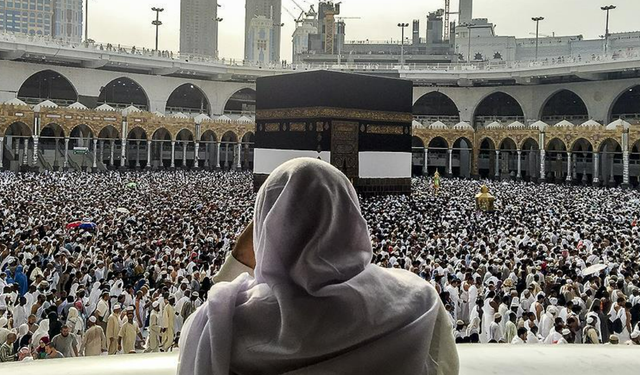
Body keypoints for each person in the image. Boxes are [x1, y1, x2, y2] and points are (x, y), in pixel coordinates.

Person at [178, 158, 459, 375]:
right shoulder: (418, 305)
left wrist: (238, 261)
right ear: (351, 216)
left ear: (265, 227)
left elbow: (202, 330)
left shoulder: (224, 323)